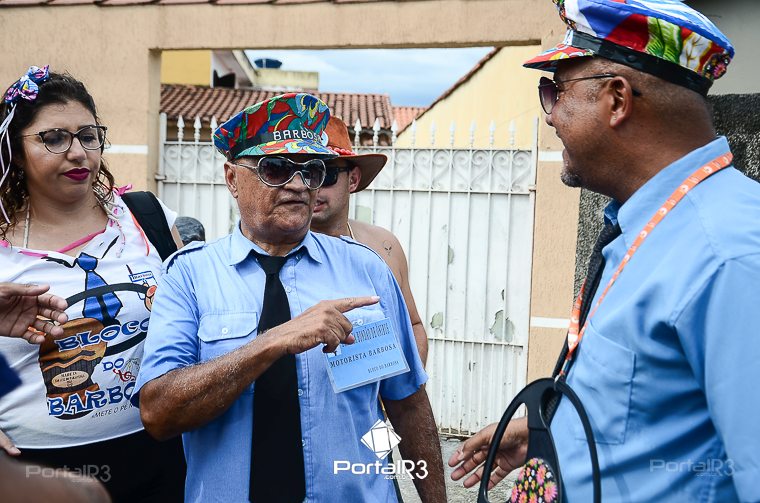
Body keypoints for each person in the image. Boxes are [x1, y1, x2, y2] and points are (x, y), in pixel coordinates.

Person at [449, 1, 760, 502]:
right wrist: (557, 437)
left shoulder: (730, 255)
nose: (550, 116)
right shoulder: (644, 225)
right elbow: (656, 406)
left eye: (556, 91)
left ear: (617, 99)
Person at [133, 93, 446, 502]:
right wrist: (273, 341)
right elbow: (158, 414)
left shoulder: (365, 270)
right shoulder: (189, 276)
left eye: (312, 171)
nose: (299, 185)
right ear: (232, 178)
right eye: (276, 168)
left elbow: (406, 404)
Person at [0, 66, 185, 501]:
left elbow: (193, 325)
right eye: (54, 138)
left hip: (158, 454)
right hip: (35, 468)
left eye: (88, 136)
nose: (78, 152)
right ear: (16, 151)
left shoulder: (147, 218)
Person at [311, 116, 429, 365]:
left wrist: (411, 385)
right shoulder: (277, 252)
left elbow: (414, 325)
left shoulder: (384, 246)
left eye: (327, 174)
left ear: (353, 180)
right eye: (305, 174)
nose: (314, 187)